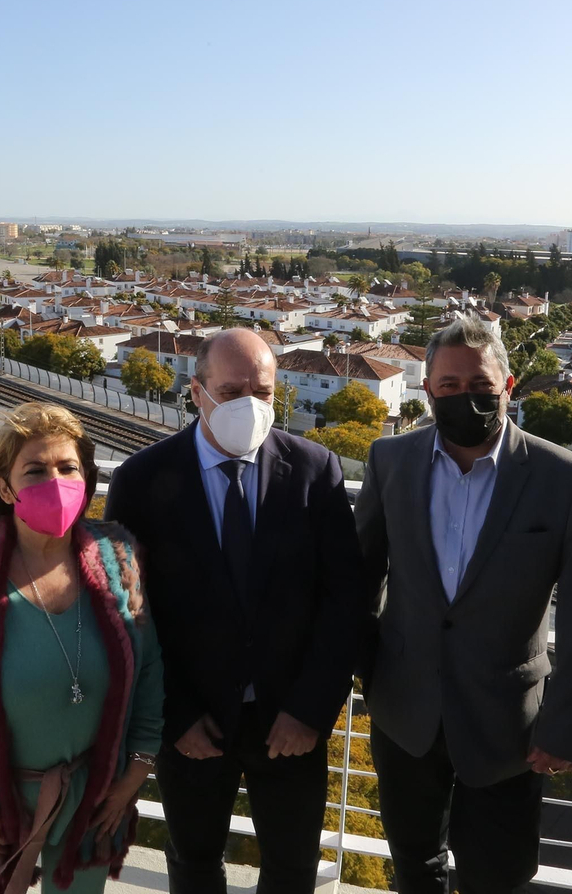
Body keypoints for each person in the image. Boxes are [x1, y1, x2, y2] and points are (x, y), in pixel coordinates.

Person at [355, 316, 572, 894]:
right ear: (427, 390)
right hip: (404, 715)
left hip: (510, 728)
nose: (463, 397)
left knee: (496, 876)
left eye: (479, 384)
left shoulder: (567, 479)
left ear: (509, 384)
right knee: (413, 869)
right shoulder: (390, 461)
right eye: (448, 386)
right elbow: (360, 581)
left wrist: (567, 728)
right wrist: (367, 679)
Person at [104, 328, 363, 894]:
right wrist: (173, 717)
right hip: (193, 723)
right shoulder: (141, 482)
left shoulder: (317, 471)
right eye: (231, 389)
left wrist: (311, 711)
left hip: (291, 725)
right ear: (196, 392)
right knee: (194, 863)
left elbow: (346, 600)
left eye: (263, 392)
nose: (249, 404)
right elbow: (124, 614)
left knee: (292, 870)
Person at [0, 403, 164, 894]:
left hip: (92, 801)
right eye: (36, 471)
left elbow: (148, 671)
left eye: (68, 468)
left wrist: (135, 774)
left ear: (86, 479)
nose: (56, 482)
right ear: (5, 487)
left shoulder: (118, 564)